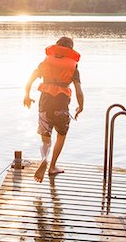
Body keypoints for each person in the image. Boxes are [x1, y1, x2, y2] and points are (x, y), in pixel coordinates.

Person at [23, 36, 84, 183]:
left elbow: (30, 79)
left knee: (45, 139)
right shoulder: (73, 67)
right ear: (70, 50)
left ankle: (44, 158)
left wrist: (26, 96)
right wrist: (80, 106)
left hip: (44, 104)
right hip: (61, 106)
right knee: (61, 135)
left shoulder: (44, 63)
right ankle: (52, 166)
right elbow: (78, 90)